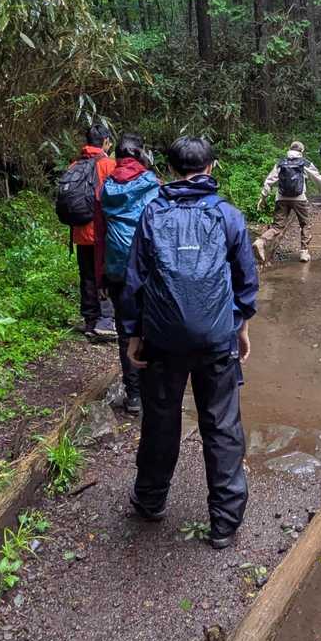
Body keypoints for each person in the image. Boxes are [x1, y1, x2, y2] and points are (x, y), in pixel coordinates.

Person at [122, 136, 258, 550]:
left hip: (161, 339)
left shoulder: (152, 214)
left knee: (160, 420)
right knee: (222, 425)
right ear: (210, 168)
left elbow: (135, 280)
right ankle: (224, 524)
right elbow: (245, 279)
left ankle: (150, 500)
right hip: (216, 339)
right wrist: (240, 325)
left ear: (169, 171)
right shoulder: (228, 215)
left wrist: (133, 334)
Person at [99, 132, 161, 415]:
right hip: (148, 267)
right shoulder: (152, 185)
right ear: (141, 154)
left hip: (117, 268)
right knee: (154, 325)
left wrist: (101, 272)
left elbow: (100, 234)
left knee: (126, 330)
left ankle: (134, 395)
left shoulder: (106, 188)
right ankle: (154, 388)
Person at [58, 121, 117, 338]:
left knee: (87, 275)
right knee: (105, 274)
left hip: (80, 231)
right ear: (106, 142)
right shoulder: (108, 165)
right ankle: (106, 320)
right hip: (102, 232)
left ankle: (90, 320)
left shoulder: (74, 165)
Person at [253, 140, 321, 263]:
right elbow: (318, 178)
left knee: (277, 226)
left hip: (281, 198)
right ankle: (304, 252)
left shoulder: (280, 162)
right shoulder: (305, 162)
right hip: (299, 199)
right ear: (301, 151)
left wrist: (263, 197)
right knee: (305, 224)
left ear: (289, 149)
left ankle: (261, 241)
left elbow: (269, 180)